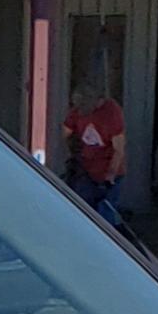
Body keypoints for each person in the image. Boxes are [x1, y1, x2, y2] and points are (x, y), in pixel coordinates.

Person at [63, 86, 128, 224]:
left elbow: (119, 149)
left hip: (109, 171)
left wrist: (110, 176)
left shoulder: (112, 113)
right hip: (86, 171)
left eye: (84, 108)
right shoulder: (77, 111)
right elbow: (66, 132)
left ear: (96, 102)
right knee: (82, 211)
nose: (81, 112)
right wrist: (73, 155)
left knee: (105, 215)